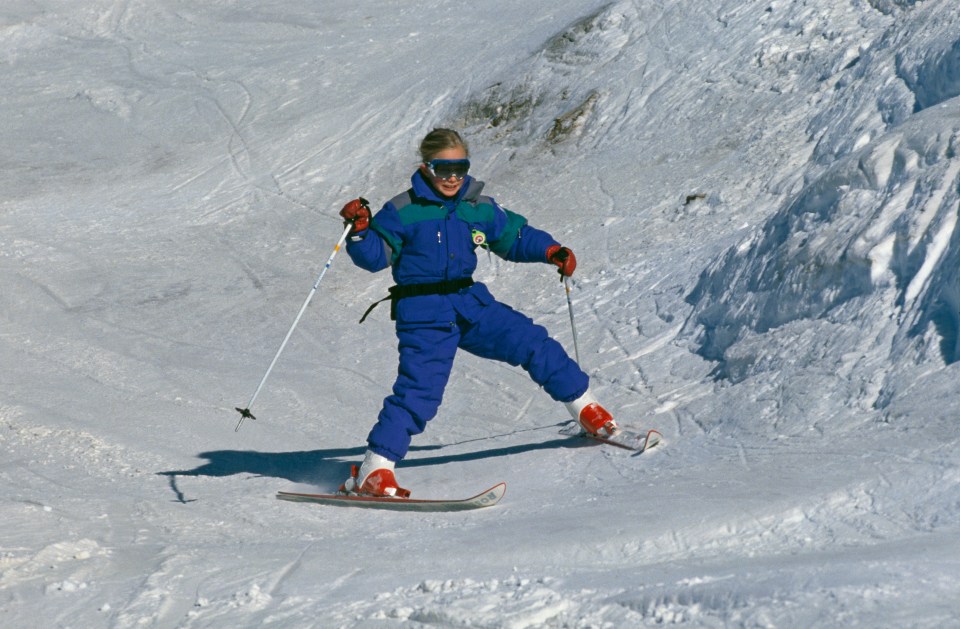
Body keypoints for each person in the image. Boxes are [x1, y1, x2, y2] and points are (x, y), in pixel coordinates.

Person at [337, 128, 618, 497]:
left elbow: (514, 237)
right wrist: (359, 231)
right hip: (424, 313)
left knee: (532, 342)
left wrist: (551, 251)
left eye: (460, 168)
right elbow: (375, 256)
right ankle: (374, 470)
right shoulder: (402, 210)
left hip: (470, 303)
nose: (452, 177)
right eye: (443, 169)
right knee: (419, 392)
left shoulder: (476, 205)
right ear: (426, 168)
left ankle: (586, 409)